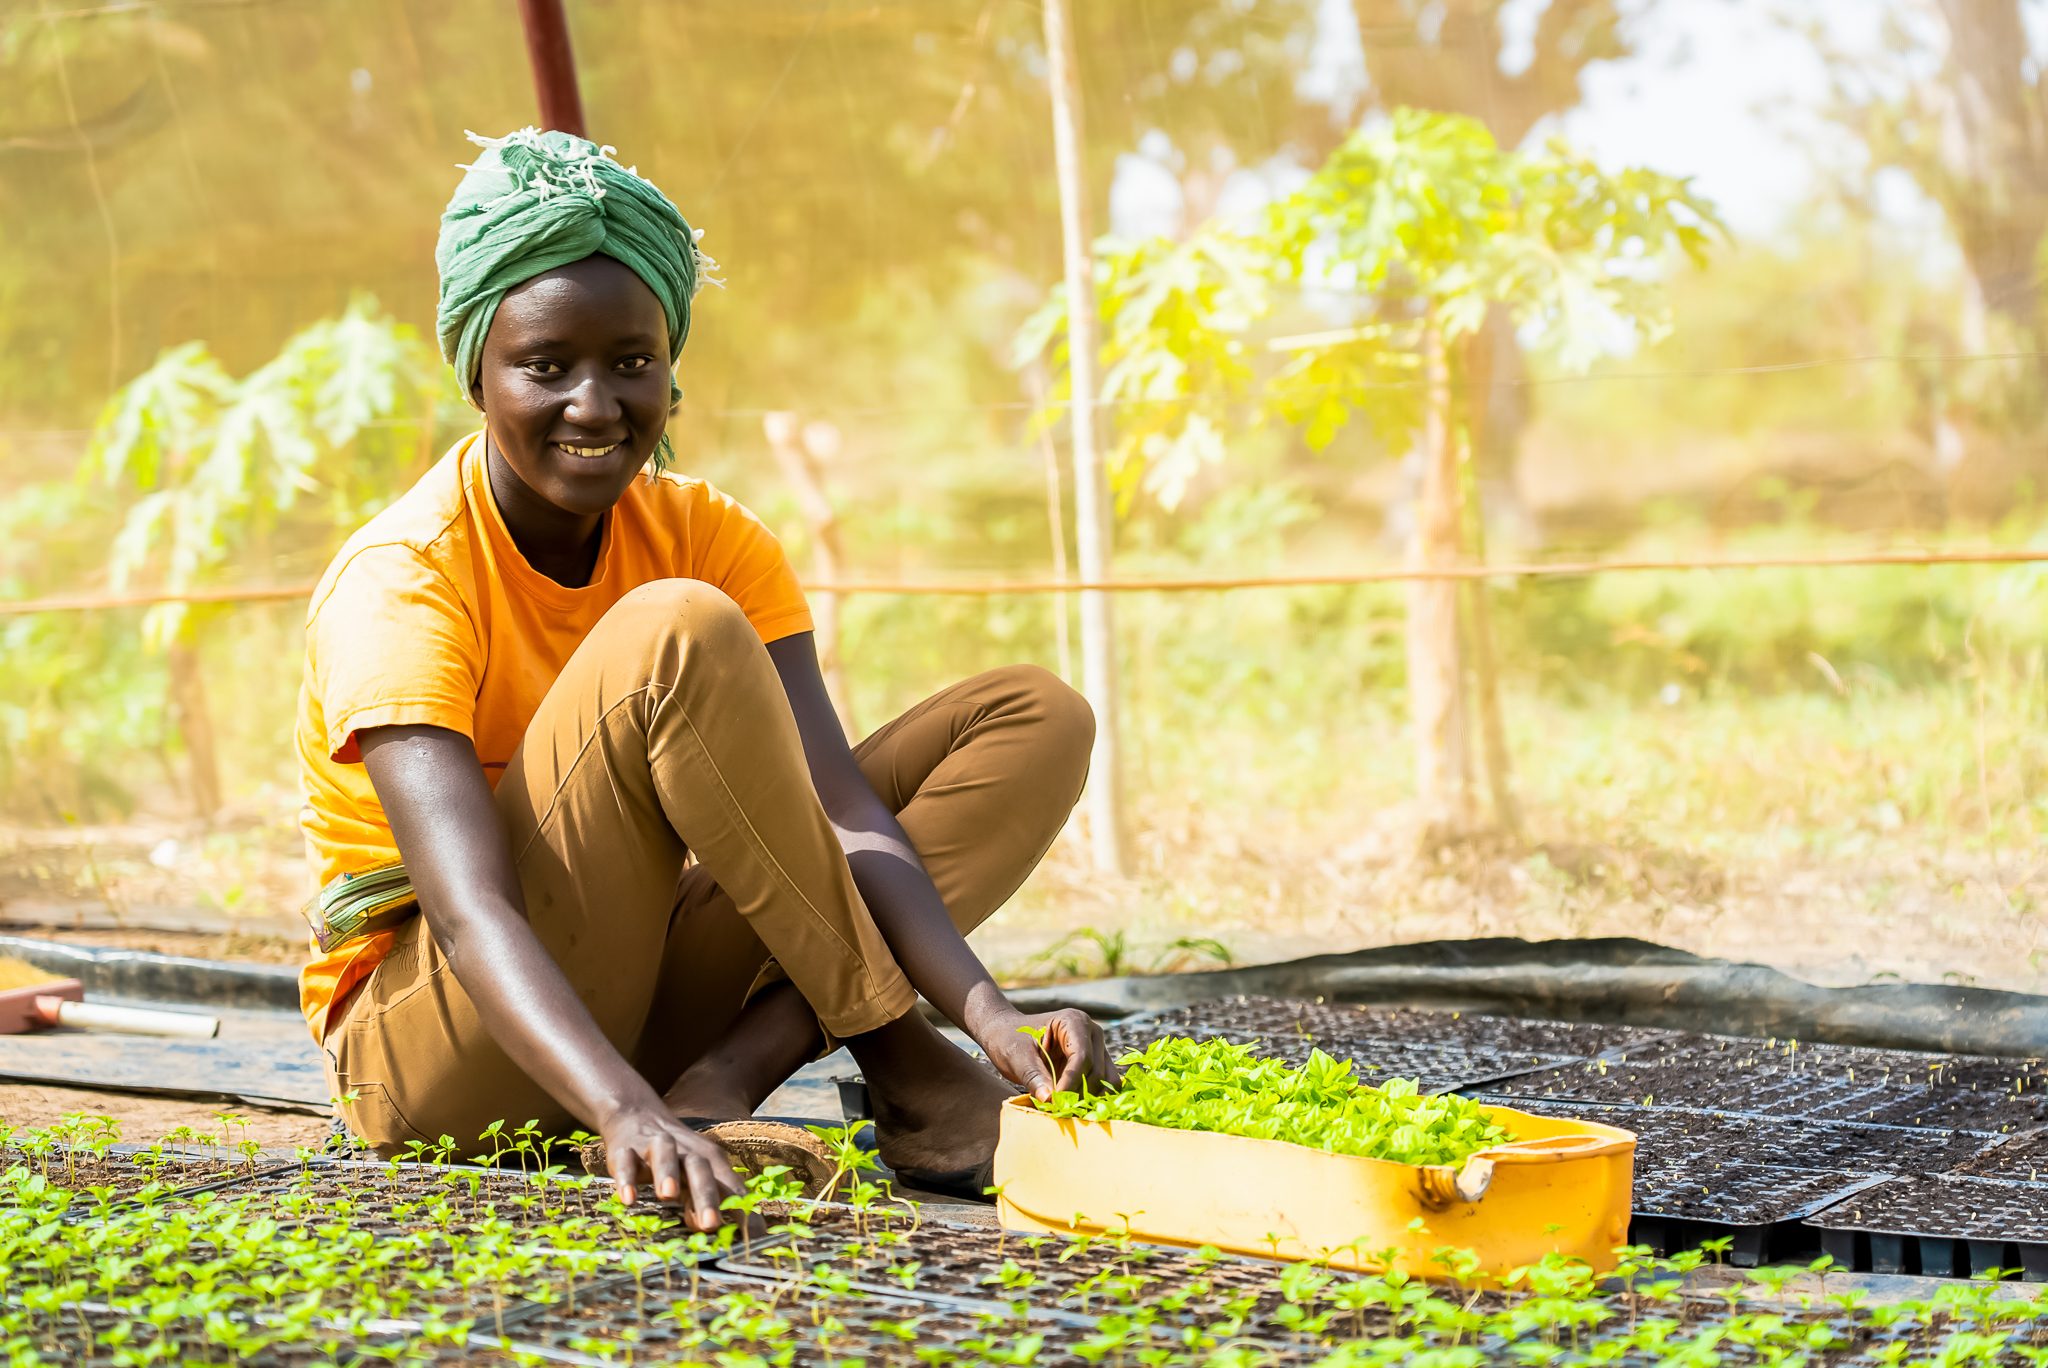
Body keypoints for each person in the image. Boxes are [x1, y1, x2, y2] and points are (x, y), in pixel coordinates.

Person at [296, 129, 1116, 1229]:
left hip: (633, 999)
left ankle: (727, 1076)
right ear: (477, 377)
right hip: (442, 1049)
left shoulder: (705, 532)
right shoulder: (403, 579)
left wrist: (985, 1010)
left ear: (671, 371)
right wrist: (622, 1112)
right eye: (546, 367)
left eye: (631, 362)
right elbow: (466, 908)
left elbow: (842, 815)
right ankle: (887, 1065)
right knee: (675, 628)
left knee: (1033, 719)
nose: (595, 406)